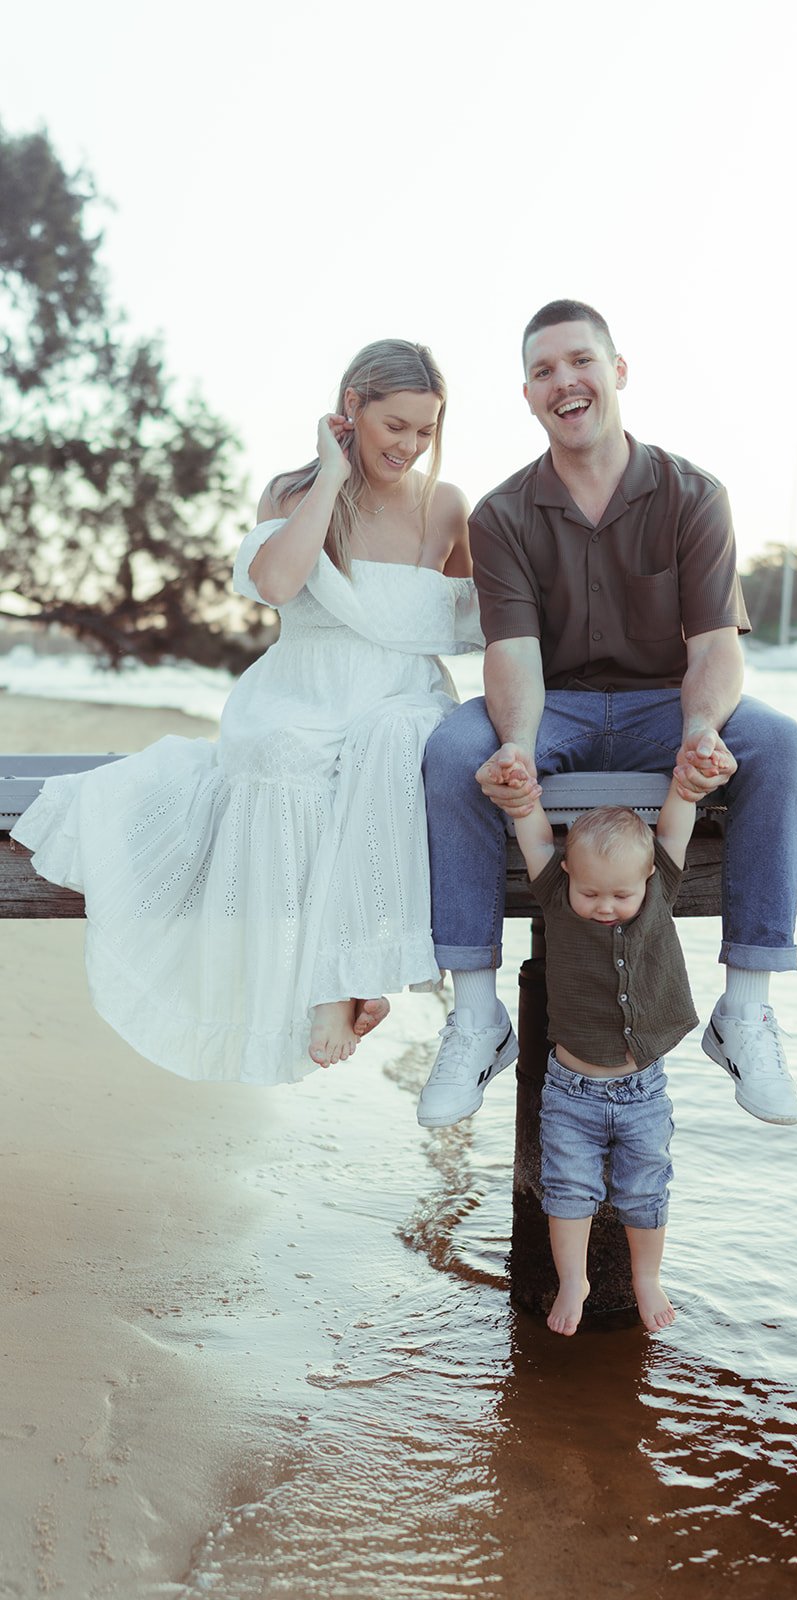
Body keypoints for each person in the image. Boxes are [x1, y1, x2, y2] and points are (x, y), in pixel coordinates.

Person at [14, 340, 482, 1085]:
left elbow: (474, 617)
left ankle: (342, 982)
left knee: (383, 749)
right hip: (300, 685)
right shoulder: (291, 492)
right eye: (396, 425)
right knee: (276, 755)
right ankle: (341, 981)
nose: (410, 446)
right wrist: (331, 475)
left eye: (426, 430)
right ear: (352, 406)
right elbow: (274, 581)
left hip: (396, 692)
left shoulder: (446, 504)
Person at [418, 300, 797, 1131]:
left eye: (579, 361)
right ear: (527, 397)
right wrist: (516, 748)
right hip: (550, 705)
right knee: (455, 748)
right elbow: (513, 653)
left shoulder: (693, 494)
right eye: (542, 371)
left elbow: (713, 644)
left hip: (661, 705)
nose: (564, 381)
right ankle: (476, 1015)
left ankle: (744, 1011)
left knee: (775, 742)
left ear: (617, 370)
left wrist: (702, 730)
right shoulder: (500, 515)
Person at [510, 779, 706, 1336]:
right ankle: (574, 1279)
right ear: (568, 875)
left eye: (620, 896)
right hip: (570, 1092)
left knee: (645, 1189)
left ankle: (646, 1277)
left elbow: (672, 830)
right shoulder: (556, 896)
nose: (604, 907)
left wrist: (686, 787)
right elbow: (537, 841)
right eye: (591, 893)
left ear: (648, 878)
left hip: (642, 1090)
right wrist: (524, 802)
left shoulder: (658, 888)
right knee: (567, 1189)